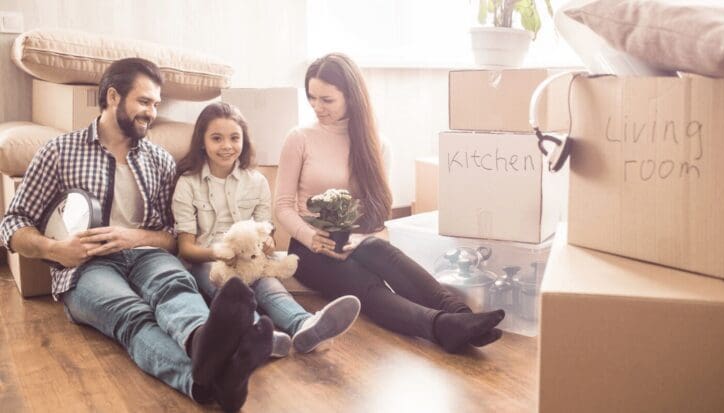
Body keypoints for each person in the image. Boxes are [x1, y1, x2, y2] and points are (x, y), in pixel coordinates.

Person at [0, 58, 269, 411]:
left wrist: (135, 238)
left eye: (156, 104)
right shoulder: (59, 152)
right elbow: (12, 223)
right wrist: (55, 249)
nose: (151, 112)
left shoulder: (159, 160)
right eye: (144, 102)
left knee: (174, 288)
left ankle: (203, 343)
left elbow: (173, 235)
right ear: (113, 96)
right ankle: (207, 382)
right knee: (133, 315)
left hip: (147, 255)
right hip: (86, 268)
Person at [275, 53, 505, 354]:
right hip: (310, 250)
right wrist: (311, 238)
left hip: (354, 239)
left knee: (379, 249)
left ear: (351, 97)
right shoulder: (300, 138)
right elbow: (282, 206)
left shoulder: (376, 145)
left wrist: (359, 239)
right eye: (312, 98)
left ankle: (461, 316)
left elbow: (377, 209)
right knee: (363, 281)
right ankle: (440, 326)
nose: (317, 107)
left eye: (327, 100)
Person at [172, 102, 361, 356]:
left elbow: (265, 233)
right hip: (209, 261)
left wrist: (267, 244)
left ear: (244, 140)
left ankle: (305, 325)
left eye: (234, 138)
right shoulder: (188, 184)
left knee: (270, 287)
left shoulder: (257, 181)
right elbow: (186, 249)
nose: (227, 146)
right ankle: (256, 334)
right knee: (232, 290)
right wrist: (221, 253)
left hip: (252, 258)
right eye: (216, 138)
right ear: (202, 142)